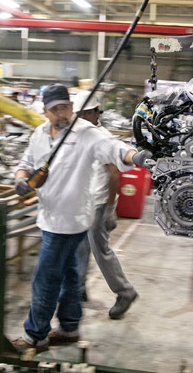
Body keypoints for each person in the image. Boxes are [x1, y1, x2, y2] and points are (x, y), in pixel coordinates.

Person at [12, 83, 150, 354]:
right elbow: (26, 163)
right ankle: (69, 327)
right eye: (55, 109)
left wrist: (136, 156)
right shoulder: (39, 134)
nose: (61, 114)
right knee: (70, 274)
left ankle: (35, 336)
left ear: (72, 108)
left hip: (71, 220)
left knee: (45, 278)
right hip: (48, 217)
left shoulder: (86, 133)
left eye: (65, 107)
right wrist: (20, 179)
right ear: (45, 112)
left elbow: (113, 148)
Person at [73, 91, 138, 319]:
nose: (80, 119)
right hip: (84, 203)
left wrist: (110, 209)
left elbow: (114, 174)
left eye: (84, 114)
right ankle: (78, 288)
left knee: (101, 251)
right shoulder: (83, 135)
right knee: (80, 247)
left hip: (98, 204)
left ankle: (125, 292)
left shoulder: (103, 138)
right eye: (78, 115)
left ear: (94, 113)